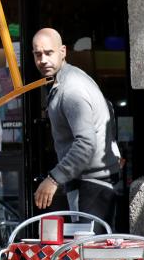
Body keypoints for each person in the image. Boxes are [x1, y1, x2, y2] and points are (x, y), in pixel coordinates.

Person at [32, 27, 122, 229]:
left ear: (62, 51)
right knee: (86, 255)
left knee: (87, 256)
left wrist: (53, 179)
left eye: (49, 53)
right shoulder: (69, 80)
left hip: (93, 185)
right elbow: (107, 110)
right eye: (38, 54)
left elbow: (85, 143)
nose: (43, 60)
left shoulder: (71, 88)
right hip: (93, 182)